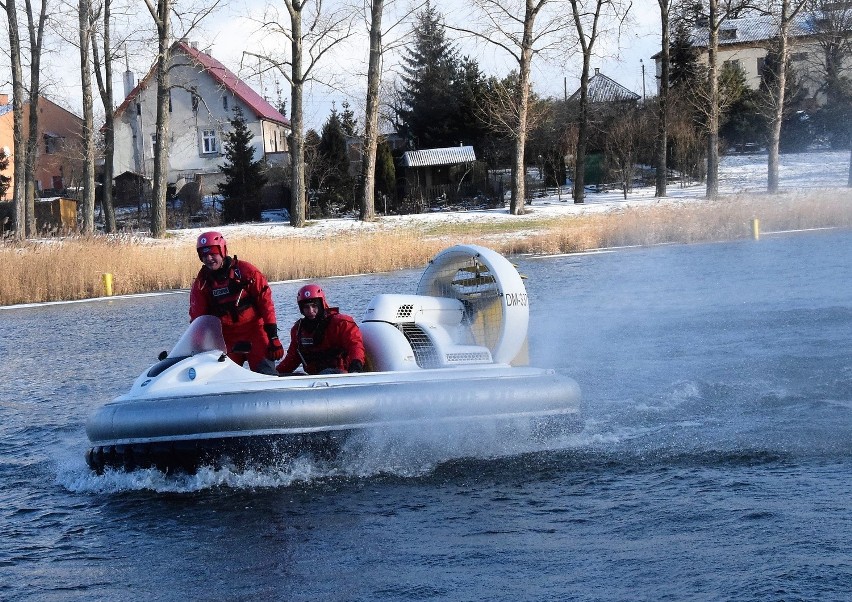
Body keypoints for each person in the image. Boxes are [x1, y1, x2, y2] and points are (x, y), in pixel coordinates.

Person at [189, 231, 284, 373]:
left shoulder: (247, 272)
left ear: (222, 251)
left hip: (255, 332)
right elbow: (197, 318)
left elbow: (266, 304)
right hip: (226, 338)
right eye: (204, 255)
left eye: (212, 254)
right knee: (221, 378)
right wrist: (196, 345)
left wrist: (273, 337)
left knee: (266, 374)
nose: (208, 258)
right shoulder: (202, 283)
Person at [276, 283, 366, 375]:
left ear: (321, 304)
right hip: (315, 378)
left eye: (314, 306)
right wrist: (273, 375)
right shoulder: (298, 330)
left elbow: (355, 345)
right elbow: (292, 359)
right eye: (306, 307)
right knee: (287, 376)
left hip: (339, 375)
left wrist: (356, 366)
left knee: (326, 372)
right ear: (301, 309)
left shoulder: (341, 323)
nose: (311, 311)